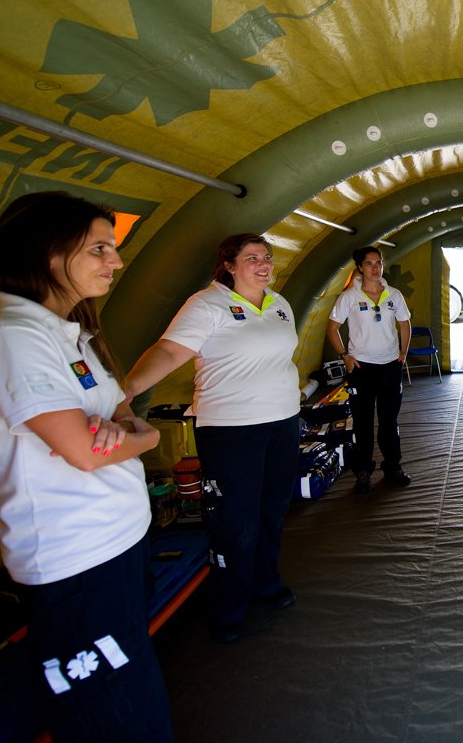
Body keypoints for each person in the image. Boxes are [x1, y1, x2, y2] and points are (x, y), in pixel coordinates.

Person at [0, 192, 173, 741]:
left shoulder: (68, 333)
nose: (116, 261)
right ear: (47, 253)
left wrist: (130, 434)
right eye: (99, 248)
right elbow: (84, 449)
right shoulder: (13, 338)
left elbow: (120, 416)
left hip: (118, 542)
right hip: (75, 560)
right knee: (113, 716)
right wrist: (142, 439)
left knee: (132, 698)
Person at [127, 233, 301, 644]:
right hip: (230, 429)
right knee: (234, 522)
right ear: (228, 265)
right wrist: (127, 390)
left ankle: (265, 581)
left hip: (283, 421)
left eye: (267, 256)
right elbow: (170, 351)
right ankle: (228, 606)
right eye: (252, 258)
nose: (263, 264)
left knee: (272, 510)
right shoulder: (207, 304)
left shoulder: (279, 303)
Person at [326, 246, 412, 494]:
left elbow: (404, 323)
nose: (375, 268)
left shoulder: (394, 295)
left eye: (379, 263)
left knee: (389, 421)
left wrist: (403, 352)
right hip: (361, 368)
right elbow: (332, 328)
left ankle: (393, 467)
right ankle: (363, 471)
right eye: (369, 264)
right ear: (360, 268)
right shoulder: (349, 297)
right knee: (363, 422)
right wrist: (345, 356)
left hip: (390, 366)